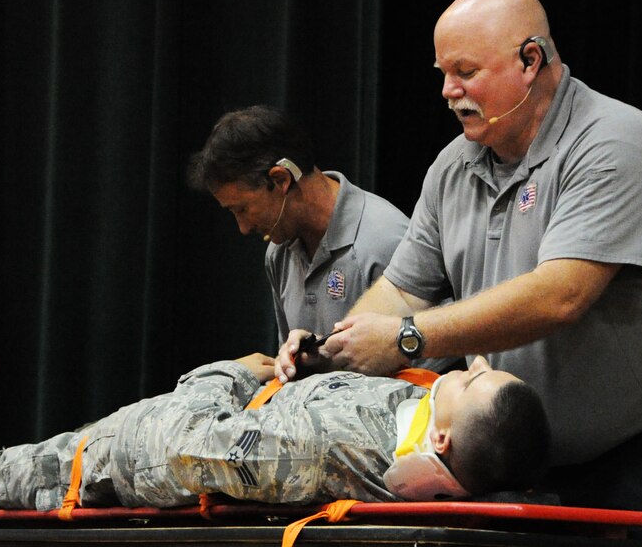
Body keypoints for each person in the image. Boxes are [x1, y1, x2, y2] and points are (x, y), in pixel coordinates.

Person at [276, 0, 642, 543]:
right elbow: (401, 289)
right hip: (542, 467)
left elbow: (561, 295)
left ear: (530, 60)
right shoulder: (452, 167)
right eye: (441, 72)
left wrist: (407, 339)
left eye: (464, 71)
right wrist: (336, 344)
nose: (447, 90)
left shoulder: (616, 142)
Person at [0, 354, 550, 514]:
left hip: (157, 453)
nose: (473, 367)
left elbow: (177, 447)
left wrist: (228, 375)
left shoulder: (317, 450)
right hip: (257, 414)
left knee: (118, 441)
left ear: (441, 443)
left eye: (473, 384)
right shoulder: (420, 418)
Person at [189, 105, 456, 372]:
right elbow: (297, 371)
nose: (243, 228)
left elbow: (431, 368)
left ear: (281, 179)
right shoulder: (278, 252)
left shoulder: (384, 240)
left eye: (242, 209)